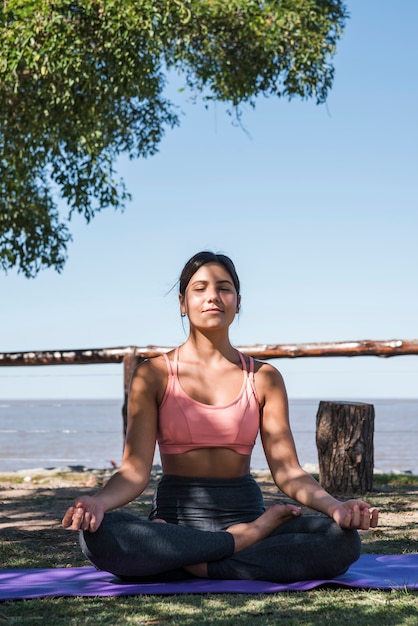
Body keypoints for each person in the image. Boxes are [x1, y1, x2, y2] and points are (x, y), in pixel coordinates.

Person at [62, 251, 378, 582]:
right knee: (98, 534)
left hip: (243, 512)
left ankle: (195, 560)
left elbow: (288, 471)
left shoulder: (263, 377)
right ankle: (241, 543)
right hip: (176, 520)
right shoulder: (152, 375)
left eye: (223, 288)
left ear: (238, 302)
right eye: (200, 289)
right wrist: (98, 503)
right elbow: (133, 472)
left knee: (341, 541)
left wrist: (335, 507)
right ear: (182, 303)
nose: (213, 296)